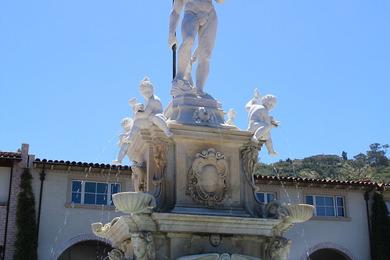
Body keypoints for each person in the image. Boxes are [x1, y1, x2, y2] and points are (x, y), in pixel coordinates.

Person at [169, 0, 224, 96]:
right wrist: (171, 32)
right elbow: (176, 11)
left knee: (205, 55)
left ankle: (199, 90)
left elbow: (221, 1)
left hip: (210, 14)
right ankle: (179, 79)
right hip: (191, 12)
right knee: (188, 40)